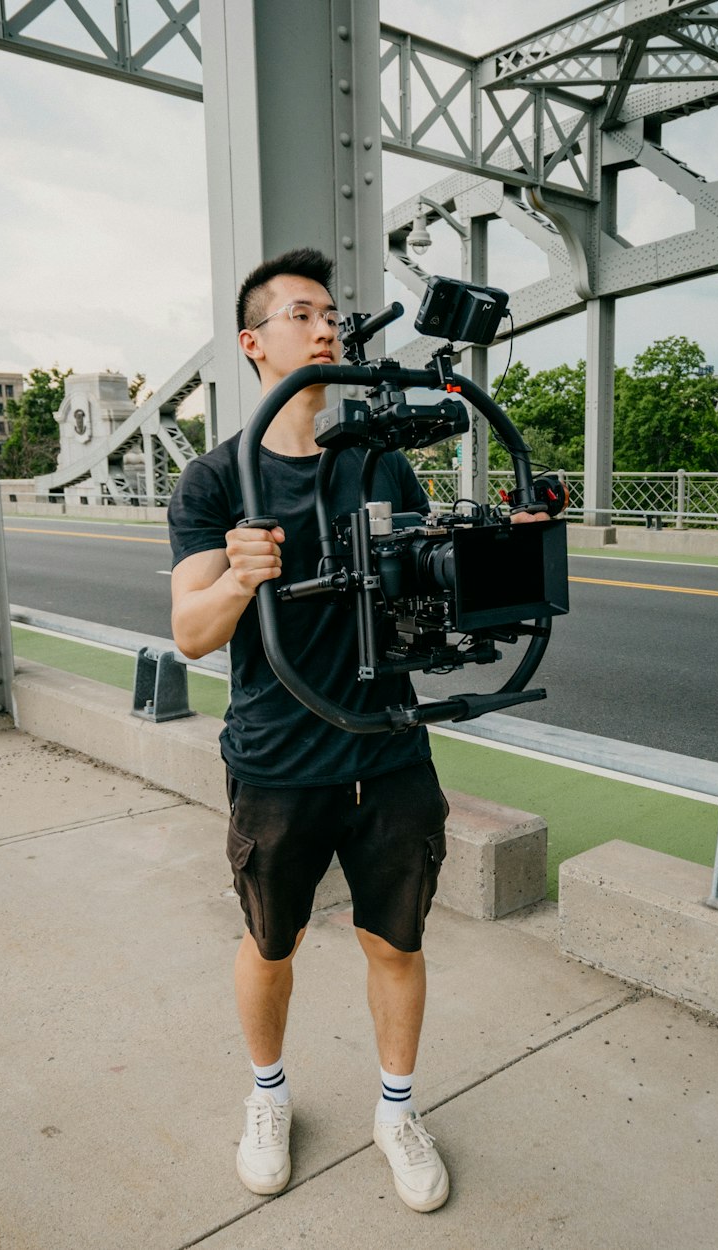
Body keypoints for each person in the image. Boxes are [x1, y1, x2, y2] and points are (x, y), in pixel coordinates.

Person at [168, 247, 543, 1214]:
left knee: (397, 943)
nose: (325, 327)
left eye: (330, 313)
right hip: (279, 758)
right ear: (255, 343)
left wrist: (494, 556)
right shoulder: (216, 483)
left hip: (389, 748)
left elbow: (430, 587)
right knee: (270, 941)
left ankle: (396, 1110)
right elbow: (191, 635)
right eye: (301, 314)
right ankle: (267, 1097)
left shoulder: (377, 463)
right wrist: (239, 577)